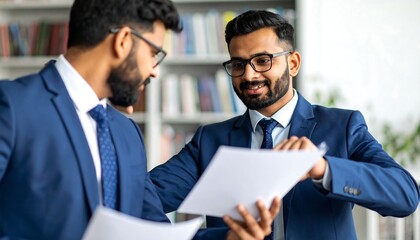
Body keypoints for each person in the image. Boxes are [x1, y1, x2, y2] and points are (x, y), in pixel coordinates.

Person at [149, 9, 420, 240]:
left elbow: (405, 194)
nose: (249, 75)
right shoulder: (209, 140)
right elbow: (140, 201)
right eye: (238, 64)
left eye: (263, 61)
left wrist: (323, 169)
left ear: (293, 63)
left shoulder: (343, 125)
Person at [0, 0, 182, 239]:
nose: (154, 70)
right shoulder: (13, 106)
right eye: (153, 53)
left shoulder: (128, 133)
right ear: (123, 41)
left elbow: (153, 227)